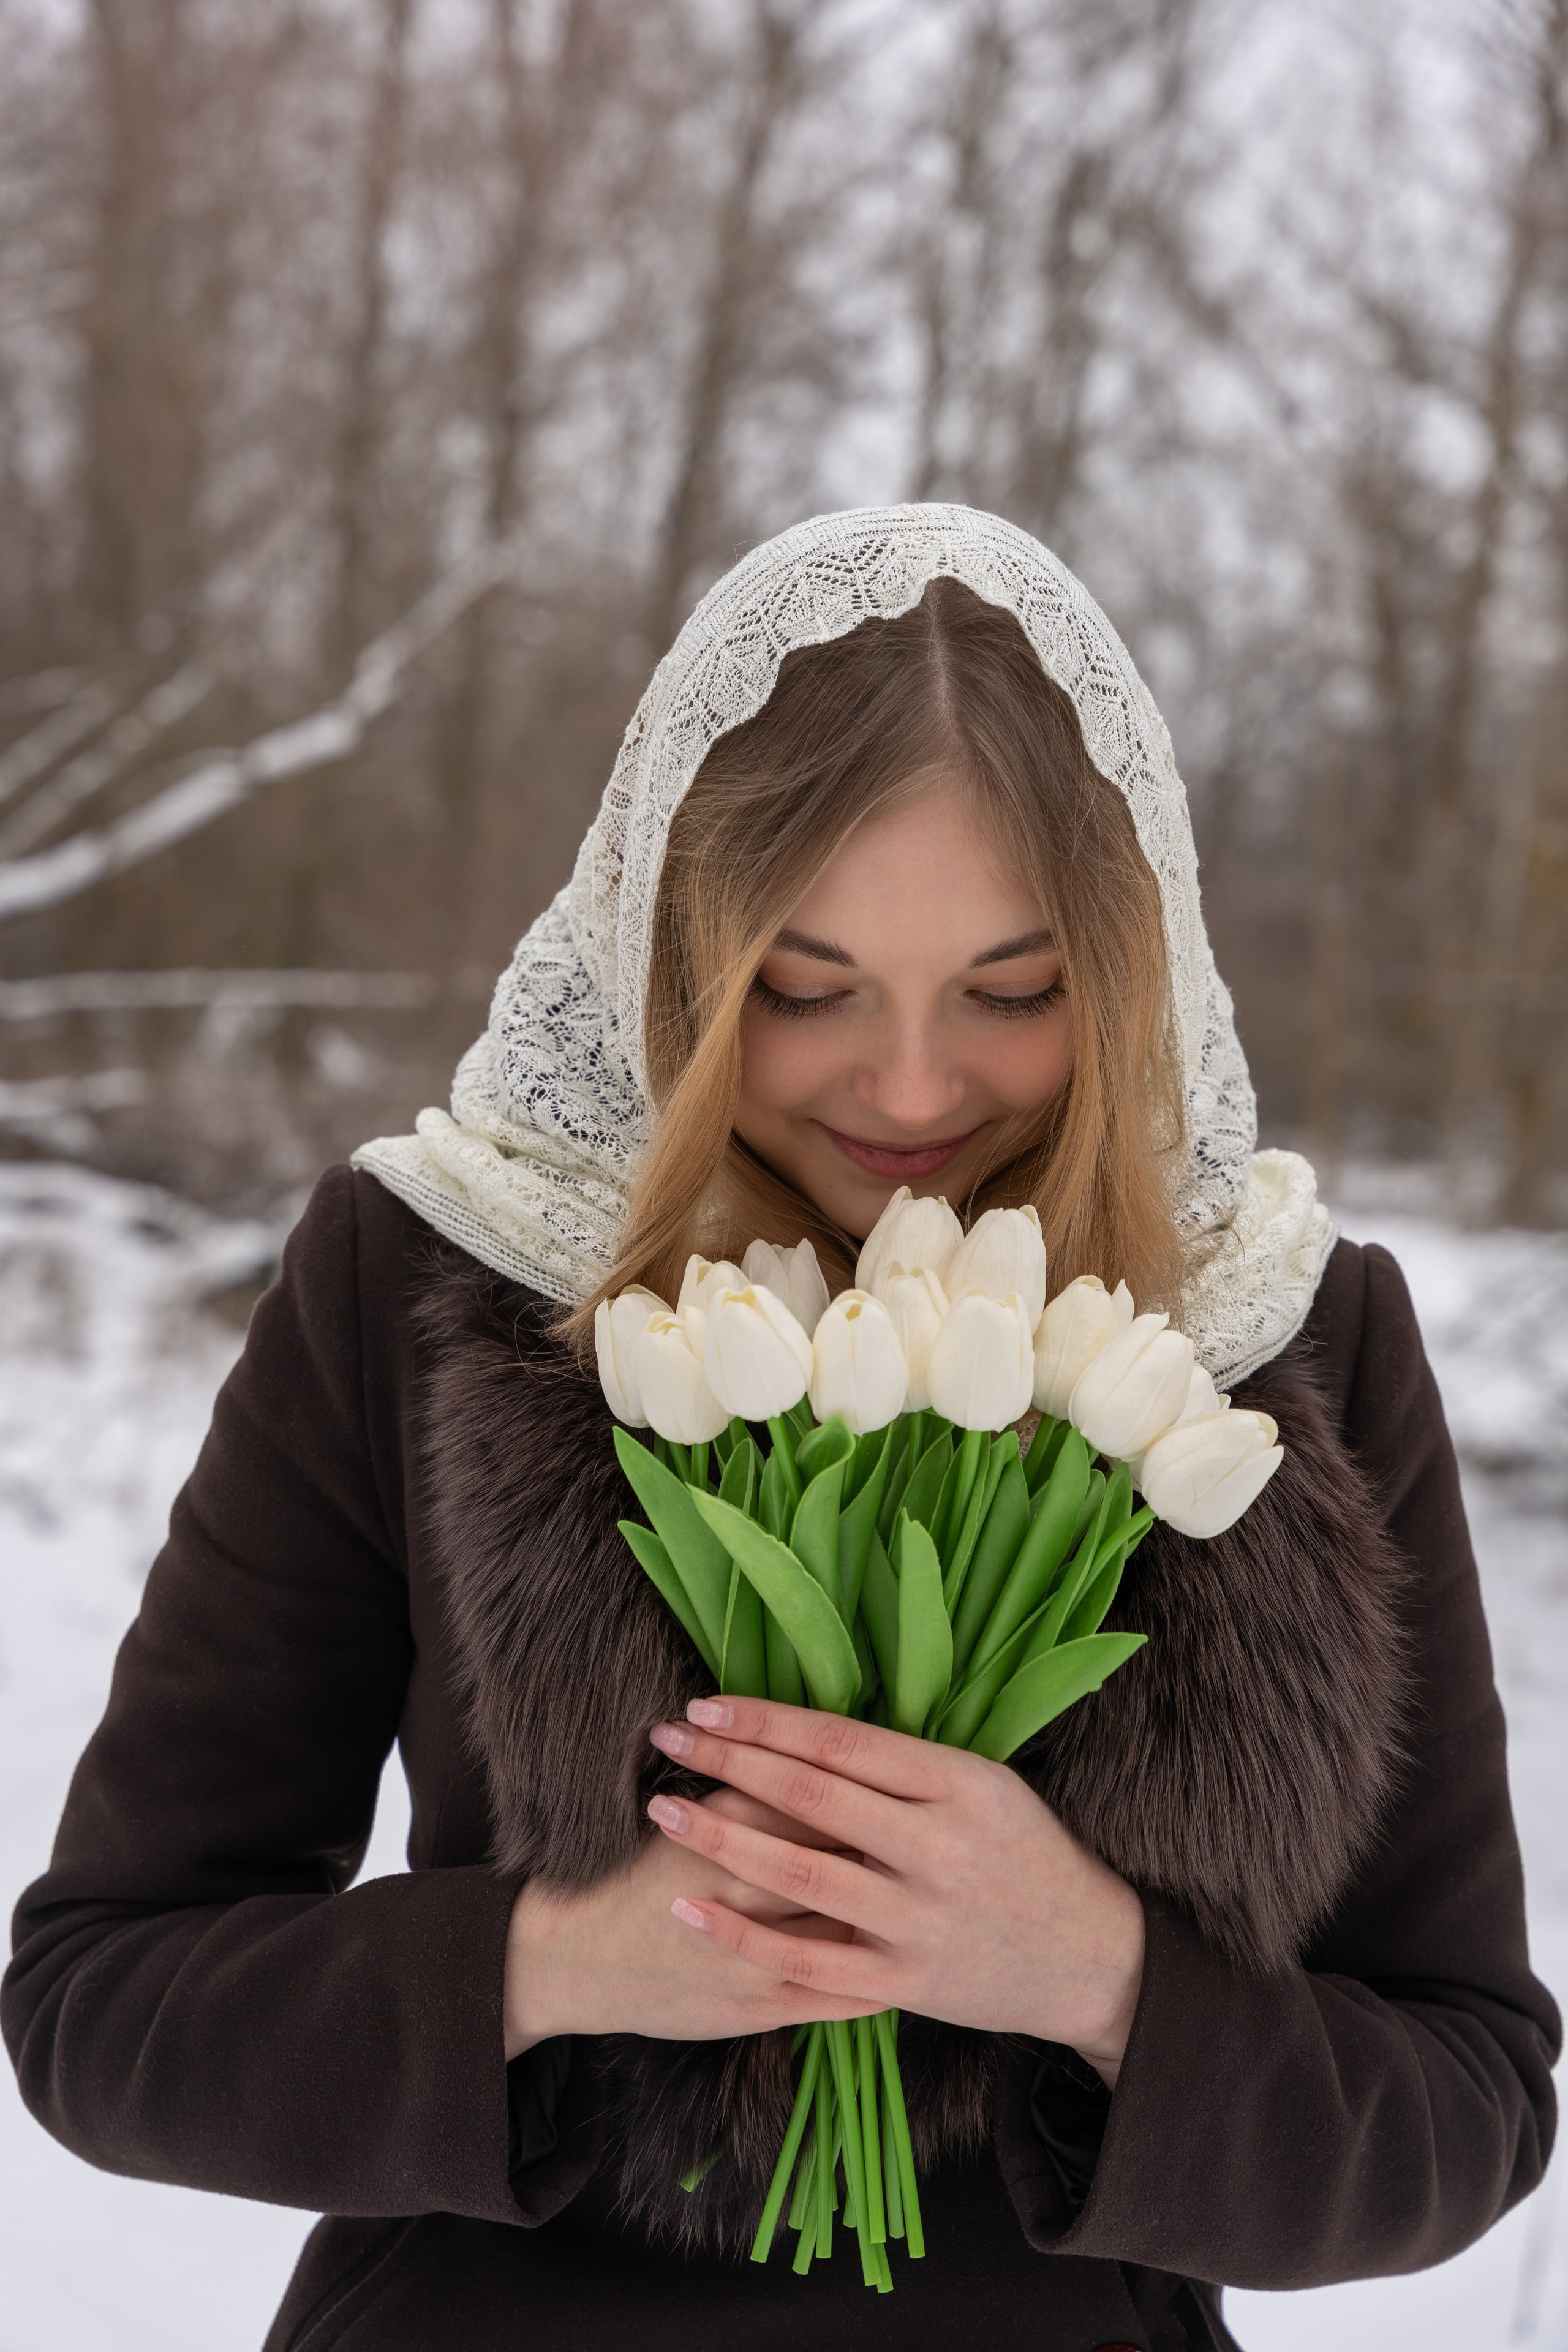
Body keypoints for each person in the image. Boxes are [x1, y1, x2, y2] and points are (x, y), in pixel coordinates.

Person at [4, 506, 1557, 2352]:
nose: (911, 1084)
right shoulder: (424, 1274)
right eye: (805, 991)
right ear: (675, 945)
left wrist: (1100, 1976)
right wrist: (552, 1967)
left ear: (1134, 971)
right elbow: (103, 2006)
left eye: (1017, 991)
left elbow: (1466, 2102)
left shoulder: (1286, 1338)